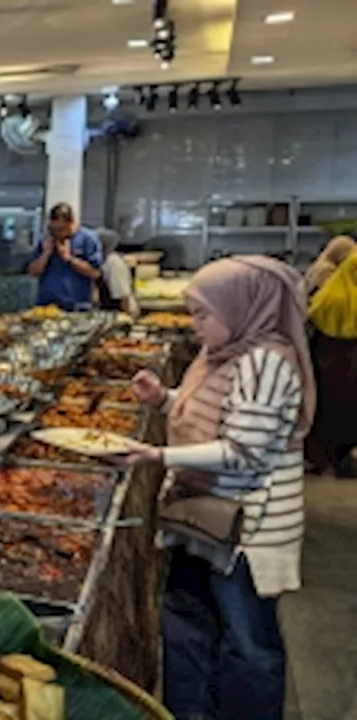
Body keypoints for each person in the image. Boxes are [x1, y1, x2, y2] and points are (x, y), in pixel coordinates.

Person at [116, 256, 314, 720]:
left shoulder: (266, 364)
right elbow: (212, 419)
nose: (194, 325)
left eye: (203, 314)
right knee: (186, 625)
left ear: (243, 307)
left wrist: (157, 456)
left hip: (246, 529)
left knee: (248, 645)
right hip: (202, 516)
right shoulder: (223, 353)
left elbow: (244, 450)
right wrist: (162, 399)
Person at [305, 250, 357, 476]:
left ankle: (325, 461)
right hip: (351, 371)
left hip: (325, 365)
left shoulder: (327, 296)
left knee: (325, 415)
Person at [26, 203, 103, 310]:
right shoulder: (46, 239)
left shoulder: (88, 239)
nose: (57, 233)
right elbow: (33, 272)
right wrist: (45, 254)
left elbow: (95, 272)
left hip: (78, 306)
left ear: (71, 223)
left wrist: (69, 258)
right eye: (53, 229)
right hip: (47, 305)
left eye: (61, 229)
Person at [95, 228, 139, 316]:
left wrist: (128, 319)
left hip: (122, 310)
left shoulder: (113, 262)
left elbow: (123, 295)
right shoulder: (102, 261)